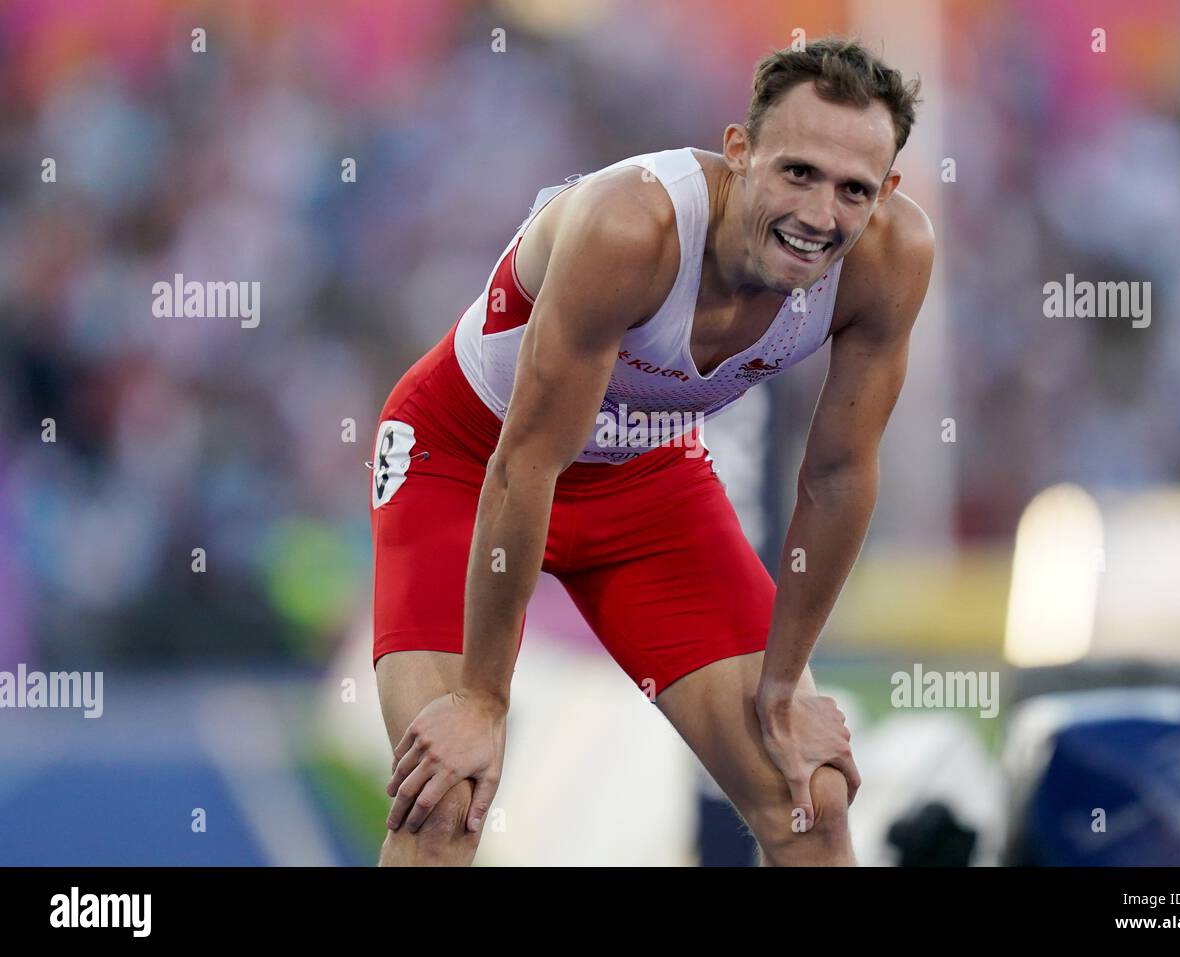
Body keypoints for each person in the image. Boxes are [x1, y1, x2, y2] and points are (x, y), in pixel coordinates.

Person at [370, 36, 934, 866]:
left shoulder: (891, 257)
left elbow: (840, 473)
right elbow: (525, 462)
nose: (819, 217)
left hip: (645, 477)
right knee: (446, 798)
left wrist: (786, 680)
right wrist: (483, 698)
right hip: (465, 460)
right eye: (798, 173)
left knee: (809, 794)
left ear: (885, 193)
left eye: (853, 190)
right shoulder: (633, 226)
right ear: (738, 153)